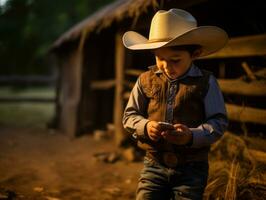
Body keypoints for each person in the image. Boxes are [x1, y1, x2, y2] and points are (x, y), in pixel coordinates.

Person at [122, 8, 228, 200]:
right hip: (153, 165)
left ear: (195, 54)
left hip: (192, 170)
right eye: (160, 58)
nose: (166, 66)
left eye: (175, 60)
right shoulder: (145, 80)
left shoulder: (206, 82)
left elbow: (218, 122)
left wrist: (191, 136)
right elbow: (129, 116)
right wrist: (146, 127)